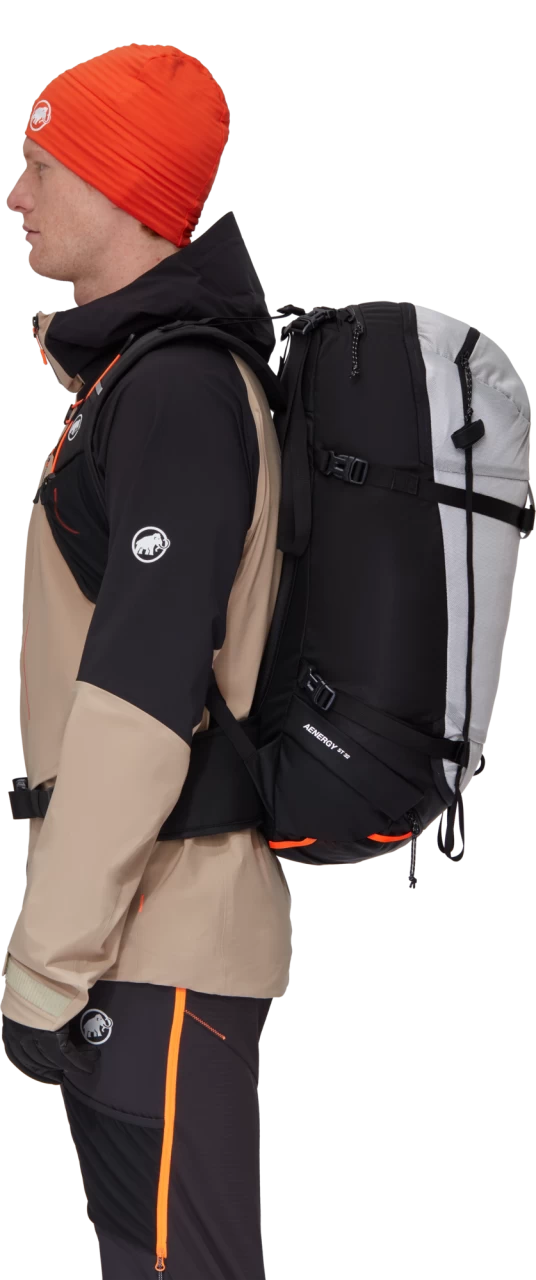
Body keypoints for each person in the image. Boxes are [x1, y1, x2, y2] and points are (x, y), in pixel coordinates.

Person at [0, 41, 292, 1280]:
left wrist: (44, 964)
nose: (15, 195)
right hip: (140, 939)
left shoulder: (175, 391)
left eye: (43, 166)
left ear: (123, 189)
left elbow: (137, 702)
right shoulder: (142, 379)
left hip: (156, 939)